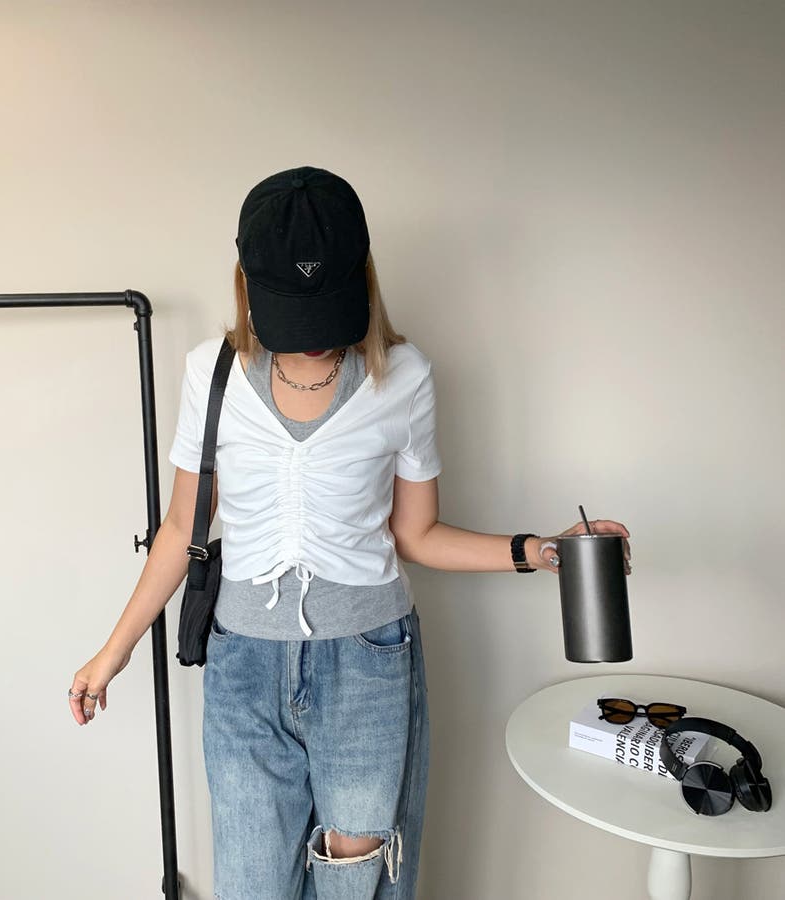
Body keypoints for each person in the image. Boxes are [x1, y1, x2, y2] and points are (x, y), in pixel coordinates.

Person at [68, 165, 631, 899]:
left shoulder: (404, 376)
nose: (310, 342)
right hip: (242, 671)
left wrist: (537, 551)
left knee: (358, 886)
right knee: (252, 887)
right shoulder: (212, 373)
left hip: (367, 667)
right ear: (248, 285)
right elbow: (183, 526)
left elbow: (417, 535)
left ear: (359, 280)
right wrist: (112, 652)